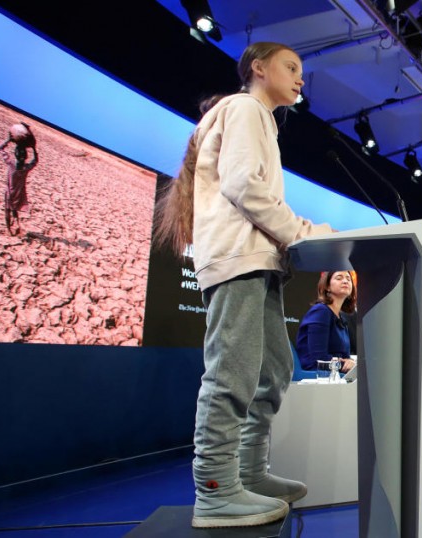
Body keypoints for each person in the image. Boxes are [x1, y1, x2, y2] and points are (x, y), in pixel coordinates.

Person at [152, 42, 334, 529]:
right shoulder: (246, 108)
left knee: (273, 372)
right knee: (231, 374)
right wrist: (303, 230)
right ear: (258, 67)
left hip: (257, 261)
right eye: (290, 67)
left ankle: (248, 475)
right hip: (238, 259)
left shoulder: (256, 118)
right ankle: (214, 488)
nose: (300, 79)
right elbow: (240, 183)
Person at [296, 271, 357, 375]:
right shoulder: (321, 311)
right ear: (327, 286)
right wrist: (345, 365)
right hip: (316, 374)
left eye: (348, 279)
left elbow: (345, 357)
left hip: (335, 374)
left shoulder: (341, 318)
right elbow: (318, 358)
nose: (345, 281)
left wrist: (351, 362)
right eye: (339, 278)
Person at [0, 122, 38, 235]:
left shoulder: (11, 164)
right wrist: (34, 149)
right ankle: (17, 222)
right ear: (25, 157)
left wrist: (8, 140)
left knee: (7, 210)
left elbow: (0, 148)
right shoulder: (26, 168)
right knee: (14, 210)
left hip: (9, 193)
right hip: (19, 194)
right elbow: (35, 161)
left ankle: (9, 229)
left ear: (15, 155)